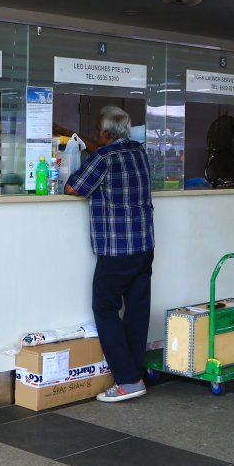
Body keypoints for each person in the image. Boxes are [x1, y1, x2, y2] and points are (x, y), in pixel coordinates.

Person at [64, 105, 155, 402]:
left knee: (104, 308)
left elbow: (73, 188)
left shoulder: (103, 157)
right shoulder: (140, 152)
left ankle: (128, 381)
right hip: (144, 245)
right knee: (137, 311)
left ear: (104, 133)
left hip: (117, 249)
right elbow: (107, 152)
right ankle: (135, 372)